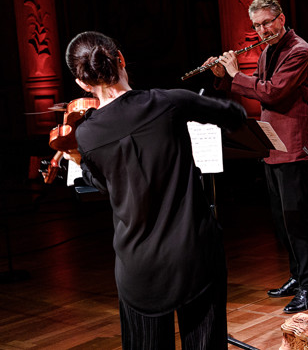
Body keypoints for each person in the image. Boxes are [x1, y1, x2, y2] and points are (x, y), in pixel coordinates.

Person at [65, 31, 247, 349]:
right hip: (194, 254)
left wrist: (78, 159)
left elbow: (102, 185)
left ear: (82, 84)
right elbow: (235, 117)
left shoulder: (88, 135)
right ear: (120, 58)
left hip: (138, 268)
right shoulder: (169, 102)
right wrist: (221, 81)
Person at [203, 0, 308, 314]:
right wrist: (221, 77)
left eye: (268, 22)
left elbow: (272, 92)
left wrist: (233, 74)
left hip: (294, 148)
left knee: (297, 221)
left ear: (282, 18)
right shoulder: (269, 51)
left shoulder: (299, 51)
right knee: (281, 221)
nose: (263, 30)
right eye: (257, 26)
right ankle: (297, 276)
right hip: (270, 145)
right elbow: (257, 86)